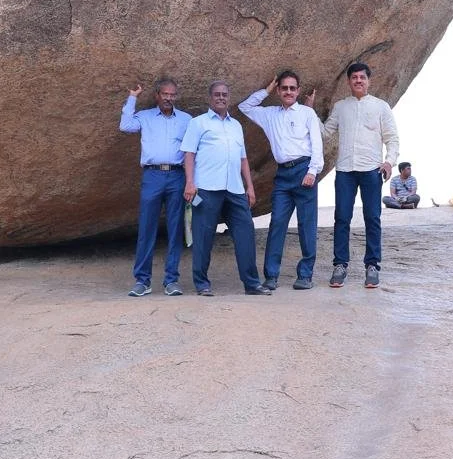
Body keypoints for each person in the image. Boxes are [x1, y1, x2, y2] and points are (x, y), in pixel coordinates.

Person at [306, 61, 399, 290]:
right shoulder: (341, 107)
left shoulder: (380, 107)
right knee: (342, 219)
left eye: (362, 77)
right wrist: (309, 111)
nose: (358, 81)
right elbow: (326, 132)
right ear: (349, 82)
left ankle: (373, 266)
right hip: (345, 170)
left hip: (371, 171)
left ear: (369, 81)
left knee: (372, 218)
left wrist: (389, 162)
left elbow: (392, 138)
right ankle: (340, 265)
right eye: (354, 77)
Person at [180, 81, 267, 296]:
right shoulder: (198, 123)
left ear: (229, 97)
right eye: (217, 94)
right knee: (203, 236)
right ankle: (202, 284)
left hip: (235, 189)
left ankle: (252, 284)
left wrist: (250, 187)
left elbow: (243, 158)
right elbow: (188, 154)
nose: (221, 98)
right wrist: (190, 183)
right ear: (210, 98)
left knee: (245, 233)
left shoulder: (236, 125)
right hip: (207, 188)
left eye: (224, 94)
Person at [238, 71, 324, 290]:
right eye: (284, 88)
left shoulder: (307, 113)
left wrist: (312, 172)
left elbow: (317, 145)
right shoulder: (270, 114)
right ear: (278, 91)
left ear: (298, 90)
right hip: (283, 175)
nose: (288, 92)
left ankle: (305, 275)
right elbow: (244, 107)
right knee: (277, 224)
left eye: (292, 88)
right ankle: (271, 275)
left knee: (307, 225)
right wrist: (265, 90)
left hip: (304, 170)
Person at [120, 77, 191, 297]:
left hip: (177, 175)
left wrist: (191, 180)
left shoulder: (186, 119)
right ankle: (142, 280)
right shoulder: (145, 116)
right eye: (165, 94)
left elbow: (193, 150)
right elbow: (125, 125)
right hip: (152, 175)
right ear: (157, 96)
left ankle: (171, 280)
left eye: (172, 95)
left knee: (175, 229)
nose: (169, 98)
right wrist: (132, 98)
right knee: (147, 228)